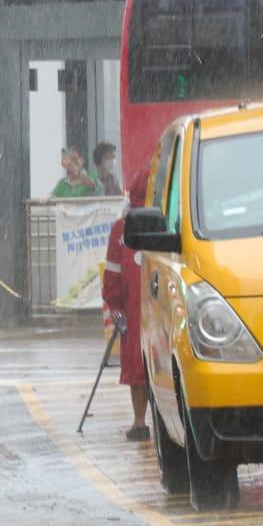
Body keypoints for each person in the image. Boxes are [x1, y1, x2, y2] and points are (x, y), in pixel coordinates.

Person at [103, 171, 150, 441]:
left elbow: (112, 273)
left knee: (135, 360)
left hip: (132, 306)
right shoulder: (169, 220)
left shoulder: (121, 229)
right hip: (164, 302)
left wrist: (114, 303)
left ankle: (139, 421)